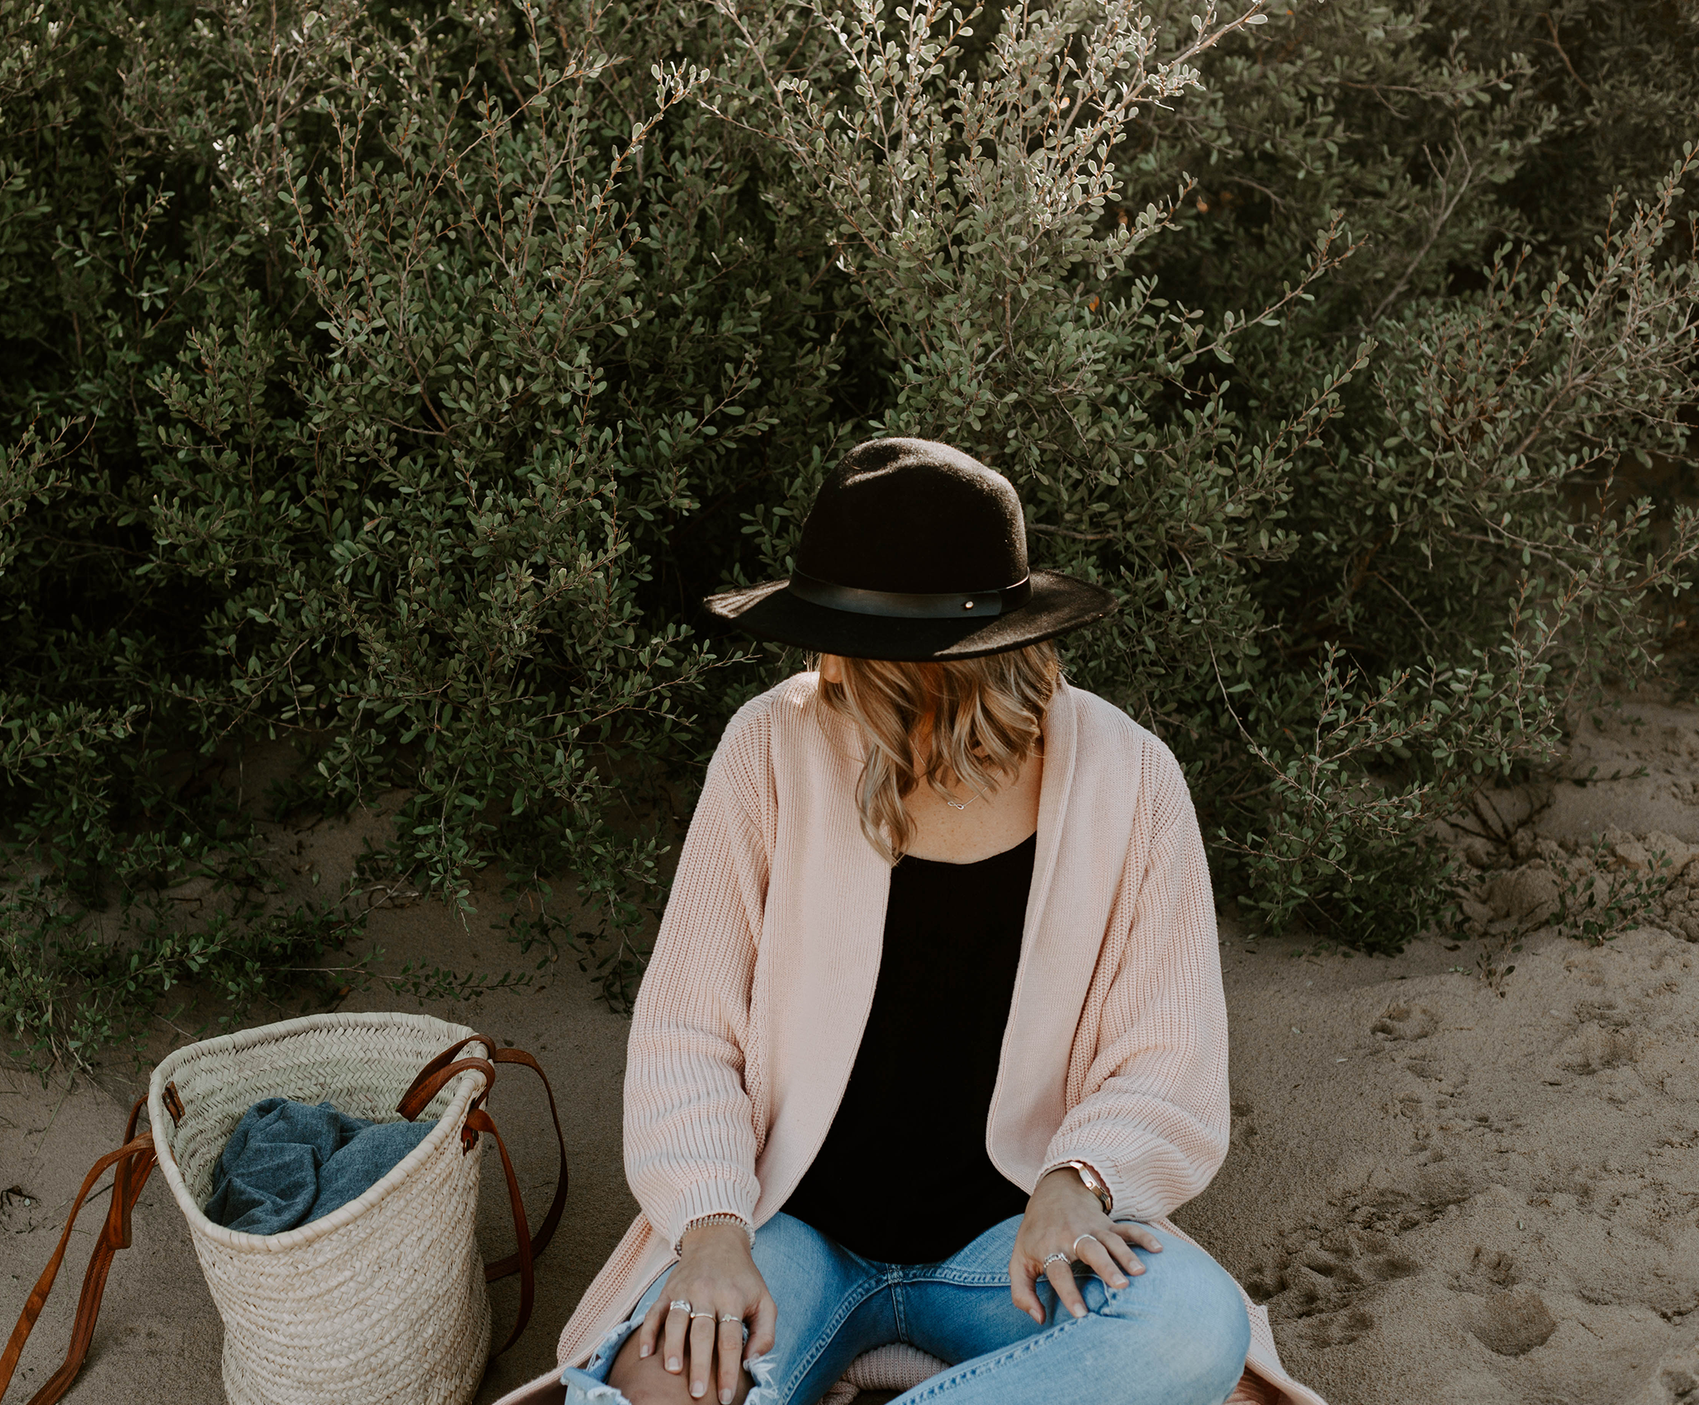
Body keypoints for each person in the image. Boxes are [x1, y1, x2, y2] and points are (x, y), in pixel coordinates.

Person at [494, 439, 1323, 1405]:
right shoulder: (771, 747)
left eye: (846, 644)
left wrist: (1081, 1180)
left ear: (938, 666)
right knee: (656, 1389)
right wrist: (712, 1228)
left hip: (1008, 1248)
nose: (825, 667)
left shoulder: (1129, 780)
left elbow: (1168, 1053)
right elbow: (689, 1028)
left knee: (1192, 1326)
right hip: (788, 1232)